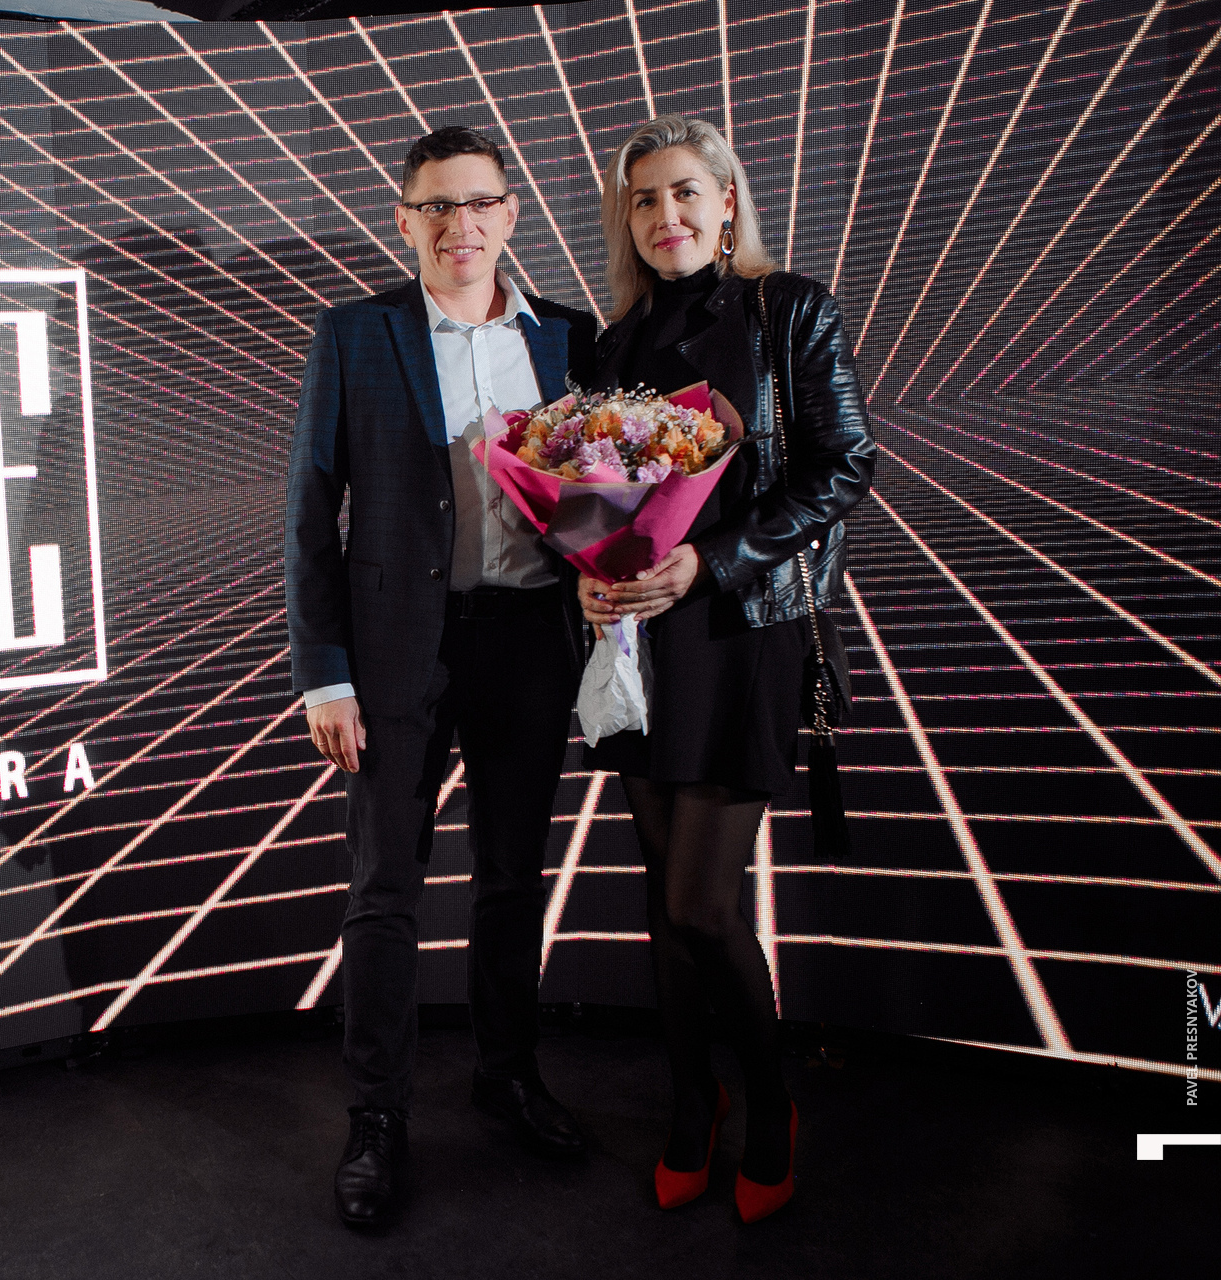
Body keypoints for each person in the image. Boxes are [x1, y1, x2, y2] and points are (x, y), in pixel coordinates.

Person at [285, 125, 597, 1229]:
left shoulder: (569, 337)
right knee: (384, 889)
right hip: (394, 652)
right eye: (435, 207)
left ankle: (507, 1075)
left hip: (529, 642)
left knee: (514, 878)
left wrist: (612, 577)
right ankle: (377, 1115)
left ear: (510, 214)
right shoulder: (355, 333)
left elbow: (602, 487)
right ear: (405, 221)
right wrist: (325, 675)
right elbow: (310, 510)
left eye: (478, 204)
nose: (459, 225)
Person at [581, 114, 876, 1222]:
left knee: (702, 904)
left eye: (685, 192)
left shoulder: (788, 308)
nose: (666, 216)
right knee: (664, 909)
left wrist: (711, 561)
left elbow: (844, 464)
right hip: (642, 645)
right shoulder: (613, 346)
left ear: (728, 201)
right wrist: (590, 577)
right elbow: (593, 501)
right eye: (645, 200)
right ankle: (689, 1103)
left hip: (745, 632)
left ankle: (768, 1103)